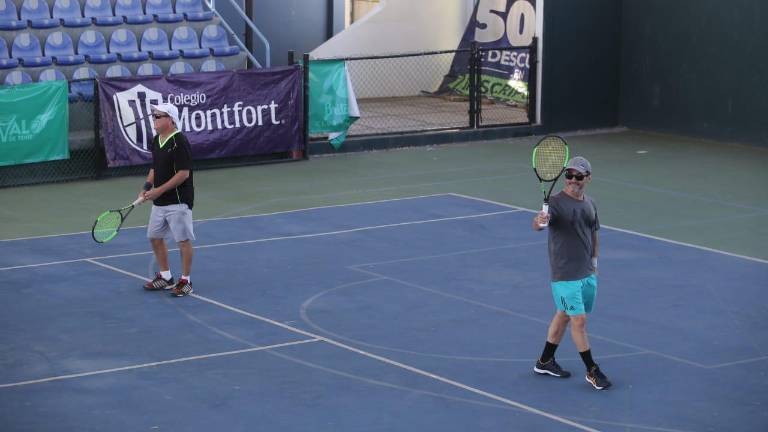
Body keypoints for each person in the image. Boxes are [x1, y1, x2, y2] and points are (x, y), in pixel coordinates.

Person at [531, 156, 611, 390]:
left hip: (586, 272)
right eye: (569, 175)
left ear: (588, 178)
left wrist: (594, 264)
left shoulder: (591, 203)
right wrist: (540, 221)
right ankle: (592, 370)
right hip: (564, 273)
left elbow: (594, 234)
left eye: (578, 176)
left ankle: (545, 361)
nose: (572, 180)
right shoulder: (555, 203)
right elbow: (539, 224)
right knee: (579, 320)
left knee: (564, 314)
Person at [140, 102, 195, 297]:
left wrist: (158, 191)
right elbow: (155, 167)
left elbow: (183, 174)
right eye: (153, 116)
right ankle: (165, 277)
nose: (153, 119)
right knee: (154, 237)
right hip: (159, 202)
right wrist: (147, 187)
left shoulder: (179, 141)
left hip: (178, 202)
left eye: (158, 116)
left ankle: (186, 281)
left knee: (183, 241)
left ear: (170, 120)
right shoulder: (156, 140)